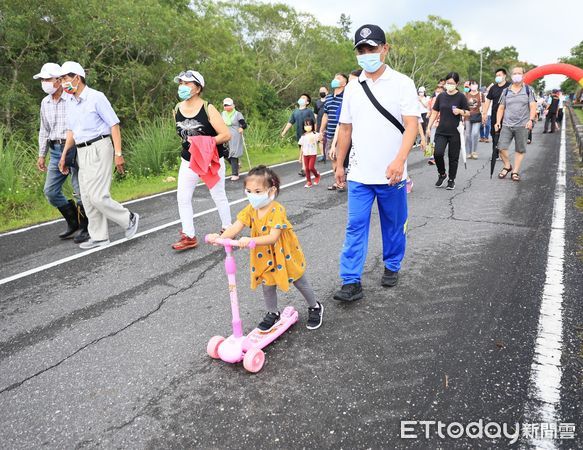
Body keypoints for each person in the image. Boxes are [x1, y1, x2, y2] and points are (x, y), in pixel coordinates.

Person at [332, 24, 419, 302]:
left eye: (372, 48)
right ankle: (350, 280)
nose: (367, 54)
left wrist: (399, 160)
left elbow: (411, 126)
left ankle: (392, 265)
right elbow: (345, 129)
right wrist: (339, 164)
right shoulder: (353, 88)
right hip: (359, 172)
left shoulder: (402, 83)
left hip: (392, 172)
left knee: (393, 224)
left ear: (385, 49)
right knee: (355, 225)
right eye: (362, 50)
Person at [208, 165, 323, 331]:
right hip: (264, 255)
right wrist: (219, 238)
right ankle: (272, 312)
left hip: (284, 252)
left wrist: (250, 239)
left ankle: (315, 306)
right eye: (248, 191)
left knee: (298, 279)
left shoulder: (277, 210)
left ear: (271, 191)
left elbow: (273, 237)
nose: (252, 196)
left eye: (257, 191)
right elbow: (236, 227)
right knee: (267, 284)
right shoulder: (250, 210)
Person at [58, 61, 139, 249]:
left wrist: (118, 153)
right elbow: (71, 131)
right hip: (81, 150)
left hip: (99, 146)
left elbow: (114, 125)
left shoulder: (96, 97)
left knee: (97, 196)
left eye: (65, 79)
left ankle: (129, 218)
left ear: (77, 78)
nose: (62, 83)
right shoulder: (69, 101)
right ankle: (99, 236)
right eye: (61, 79)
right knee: (86, 197)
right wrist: (64, 156)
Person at [171, 70, 232, 251]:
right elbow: (182, 136)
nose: (182, 86)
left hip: (210, 159)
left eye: (187, 83)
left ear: (198, 88)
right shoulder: (176, 109)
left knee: (218, 194)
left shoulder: (208, 108)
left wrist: (205, 143)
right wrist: (193, 146)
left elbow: (226, 134)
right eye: (181, 83)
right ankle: (189, 236)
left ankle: (228, 229)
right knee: (182, 197)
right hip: (189, 159)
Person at [34, 63, 88, 243]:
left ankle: (85, 227)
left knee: (79, 189)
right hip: (55, 149)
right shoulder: (45, 102)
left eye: (48, 79)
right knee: (50, 191)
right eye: (42, 79)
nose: (45, 83)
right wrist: (42, 154)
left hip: (74, 148)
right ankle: (72, 221)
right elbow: (44, 129)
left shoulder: (72, 97)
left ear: (59, 79)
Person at [425, 72, 469, 190]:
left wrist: (460, 111)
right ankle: (442, 174)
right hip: (441, 130)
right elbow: (435, 112)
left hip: (455, 132)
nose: (449, 85)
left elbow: (468, 112)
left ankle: (451, 179)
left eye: (452, 83)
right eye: (448, 83)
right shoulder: (441, 96)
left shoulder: (461, 97)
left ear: (457, 84)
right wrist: (428, 127)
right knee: (437, 153)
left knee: (453, 157)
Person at [494, 66, 537, 182]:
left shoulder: (528, 90)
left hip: (522, 125)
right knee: (501, 147)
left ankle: (515, 171)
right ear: (511, 76)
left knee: (520, 149)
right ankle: (507, 165)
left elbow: (533, 106)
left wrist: (530, 120)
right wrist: (498, 122)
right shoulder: (506, 91)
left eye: (519, 73)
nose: (516, 75)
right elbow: (501, 108)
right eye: (514, 73)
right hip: (507, 124)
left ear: (523, 75)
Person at [319, 73, 348, 191]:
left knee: (340, 156)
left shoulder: (346, 96)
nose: (335, 80)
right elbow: (325, 115)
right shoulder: (329, 97)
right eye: (334, 77)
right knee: (333, 157)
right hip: (330, 133)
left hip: (342, 133)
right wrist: (321, 130)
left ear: (344, 83)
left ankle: (342, 181)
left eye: (338, 78)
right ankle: (338, 181)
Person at [281, 94, 316, 177]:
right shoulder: (295, 111)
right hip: (299, 135)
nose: (301, 99)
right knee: (303, 150)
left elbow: (314, 123)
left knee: (305, 151)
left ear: (307, 102)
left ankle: (304, 168)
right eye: (301, 97)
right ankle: (306, 167)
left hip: (308, 135)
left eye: (304, 98)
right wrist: (284, 131)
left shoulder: (309, 111)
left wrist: (314, 134)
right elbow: (290, 122)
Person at [482, 69, 510, 160]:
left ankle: (503, 153)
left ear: (504, 75)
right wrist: (484, 113)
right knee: (494, 134)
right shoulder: (493, 88)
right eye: (496, 75)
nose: (498, 77)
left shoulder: (510, 86)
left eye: (500, 75)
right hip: (494, 114)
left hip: (507, 115)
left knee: (504, 134)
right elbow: (488, 101)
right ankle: (495, 153)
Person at [221, 97, 247, 181]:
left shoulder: (237, 114)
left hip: (235, 135)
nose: (227, 107)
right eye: (225, 105)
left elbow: (244, 124)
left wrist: (242, 128)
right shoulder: (222, 114)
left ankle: (235, 174)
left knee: (233, 153)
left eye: (228, 105)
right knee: (224, 151)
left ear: (233, 105)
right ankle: (236, 164)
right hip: (225, 134)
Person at [298, 118, 321, 187]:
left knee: (311, 167)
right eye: (305, 125)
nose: (307, 126)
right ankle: (309, 182)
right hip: (305, 154)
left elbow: (320, 139)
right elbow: (302, 146)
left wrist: (321, 136)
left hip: (312, 154)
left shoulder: (315, 134)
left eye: (309, 124)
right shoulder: (303, 136)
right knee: (306, 169)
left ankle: (317, 175)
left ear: (312, 125)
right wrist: (300, 157)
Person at [464, 80, 484, 159]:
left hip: (477, 116)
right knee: (468, 135)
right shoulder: (466, 95)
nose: (473, 86)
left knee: (475, 133)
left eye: (475, 84)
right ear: (469, 86)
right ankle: (468, 152)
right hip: (468, 116)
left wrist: (484, 115)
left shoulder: (480, 94)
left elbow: (484, 105)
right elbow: (463, 106)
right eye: (472, 84)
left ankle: (474, 151)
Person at [314, 86, 328, 161]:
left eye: (323, 90)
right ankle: (323, 155)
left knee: (329, 139)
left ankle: (329, 152)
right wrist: (314, 124)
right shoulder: (317, 103)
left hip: (329, 123)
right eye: (320, 91)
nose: (322, 92)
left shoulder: (329, 101)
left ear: (327, 92)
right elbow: (315, 114)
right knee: (320, 139)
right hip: (319, 122)